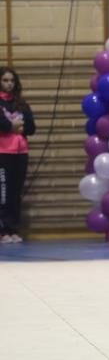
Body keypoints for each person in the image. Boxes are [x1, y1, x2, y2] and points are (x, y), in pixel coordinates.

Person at [0, 67, 35, 243]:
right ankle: (3, 230)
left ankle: (13, 229)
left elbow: (30, 128)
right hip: (3, 152)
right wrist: (12, 126)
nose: (9, 84)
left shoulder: (21, 104)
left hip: (21, 153)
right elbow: (3, 125)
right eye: (5, 80)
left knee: (16, 192)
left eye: (12, 81)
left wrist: (15, 126)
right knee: (4, 193)